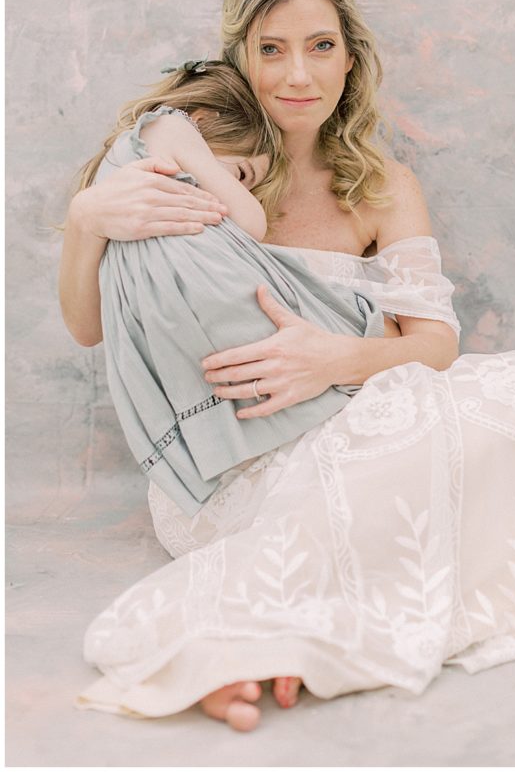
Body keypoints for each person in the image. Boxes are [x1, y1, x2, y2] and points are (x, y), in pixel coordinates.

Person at [60, 0, 515, 733]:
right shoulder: (187, 166)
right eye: (272, 49)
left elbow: (434, 346)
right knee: (402, 484)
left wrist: (334, 359)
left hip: (353, 428)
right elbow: (92, 328)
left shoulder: (382, 185)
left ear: (350, 57)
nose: (299, 74)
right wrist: (87, 219)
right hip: (229, 470)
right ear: (241, 58)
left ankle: (292, 633)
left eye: (320, 46)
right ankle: (236, 636)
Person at [84, 58, 399, 516]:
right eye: (244, 175)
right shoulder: (168, 131)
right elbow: (249, 222)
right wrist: (83, 219)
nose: (242, 191)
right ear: (205, 123)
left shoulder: (129, 186)